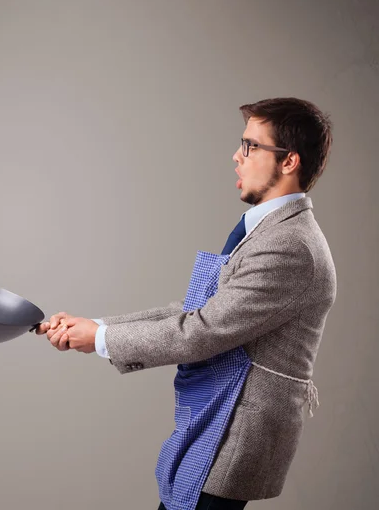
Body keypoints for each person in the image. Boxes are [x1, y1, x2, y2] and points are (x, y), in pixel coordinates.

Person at [36, 97, 337, 510]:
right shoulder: (271, 232)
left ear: (289, 162)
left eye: (251, 146)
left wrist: (102, 338)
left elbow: (203, 331)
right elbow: (197, 310)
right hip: (216, 420)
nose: (237, 156)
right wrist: (98, 326)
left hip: (233, 431)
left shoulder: (290, 246)